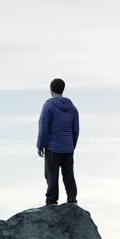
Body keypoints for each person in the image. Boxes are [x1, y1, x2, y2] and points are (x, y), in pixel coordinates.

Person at [36, 77, 79, 205]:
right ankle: (72, 199)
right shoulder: (72, 108)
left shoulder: (49, 106)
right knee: (68, 174)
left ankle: (51, 201)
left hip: (52, 147)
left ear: (51, 90)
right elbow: (76, 130)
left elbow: (43, 126)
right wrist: (71, 145)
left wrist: (40, 145)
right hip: (68, 147)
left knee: (51, 174)